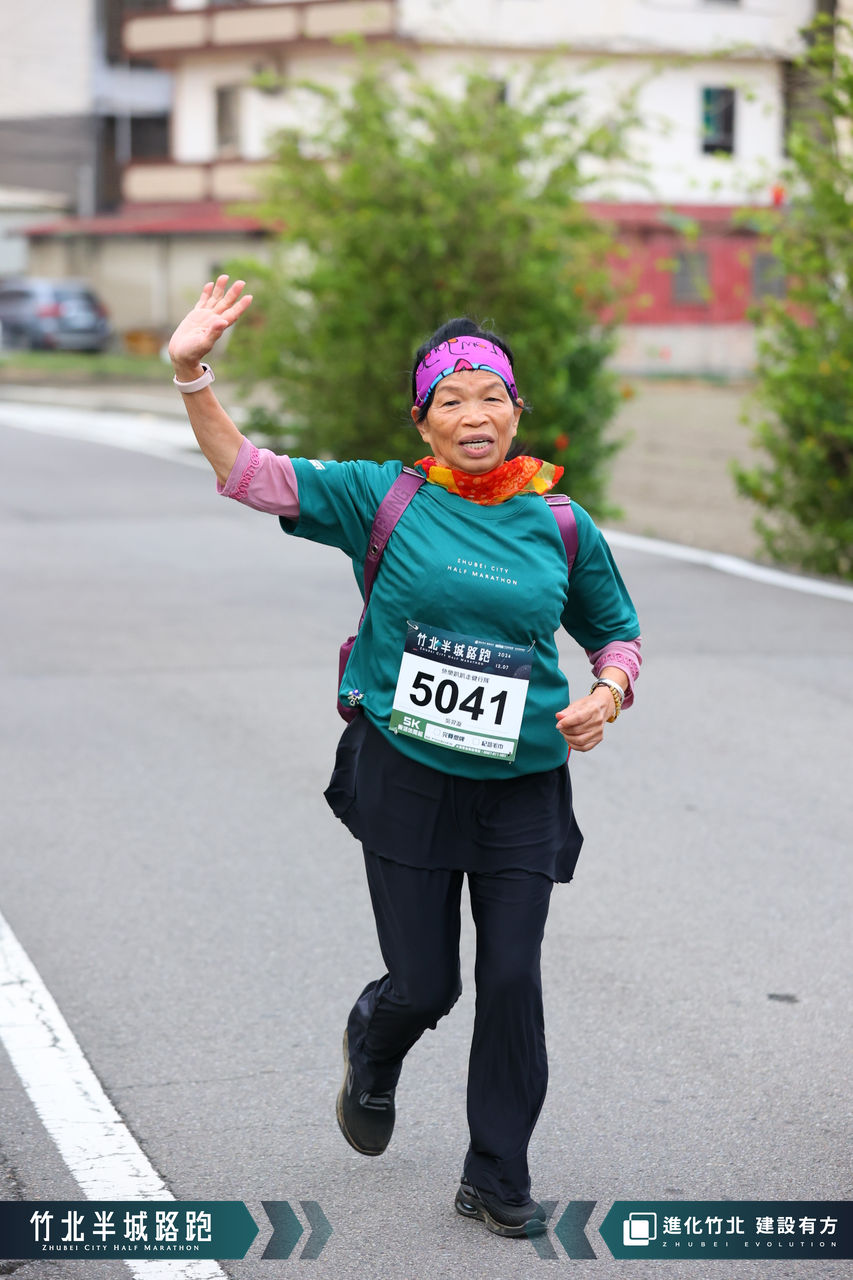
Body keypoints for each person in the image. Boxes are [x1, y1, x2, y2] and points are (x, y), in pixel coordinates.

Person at [168, 275, 642, 1239]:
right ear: (423, 422)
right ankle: (374, 1039)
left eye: (491, 397)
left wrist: (606, 694)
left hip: (521, 788)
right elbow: (250, 473)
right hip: (407, 778)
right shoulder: (379, 497)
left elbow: (616, 634)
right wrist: (191, 376)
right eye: (450, 401)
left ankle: (495, 1173)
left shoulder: (560, 523)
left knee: (511, 980)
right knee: (427, 985)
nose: (475, 415)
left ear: (516, 412)